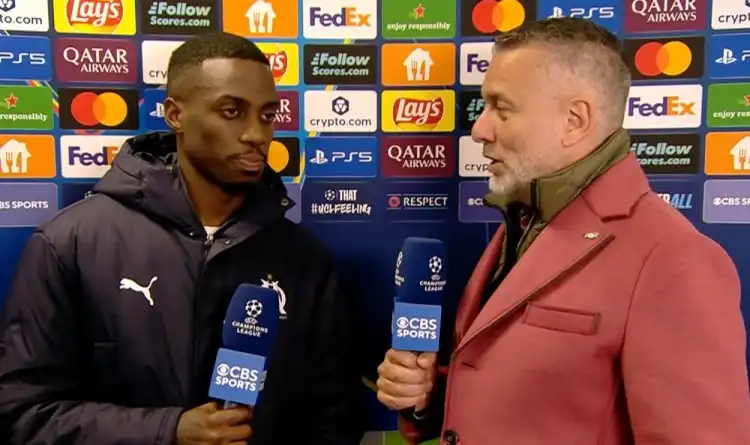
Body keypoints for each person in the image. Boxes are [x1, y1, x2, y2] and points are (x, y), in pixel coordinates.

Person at [376, 17, 750, 445]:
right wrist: (430, 394)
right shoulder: (524, 220)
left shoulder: (674, 260)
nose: (479, 129)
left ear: (574, 119)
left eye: (502, 108)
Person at [0, 32, 365, 445]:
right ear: (175, 114)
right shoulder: (72, 244)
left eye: (267, 115)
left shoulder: (304, 259)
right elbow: (24, 416)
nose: (256, 134)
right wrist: (168, 431)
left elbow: (335, 419)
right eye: (231, 111)